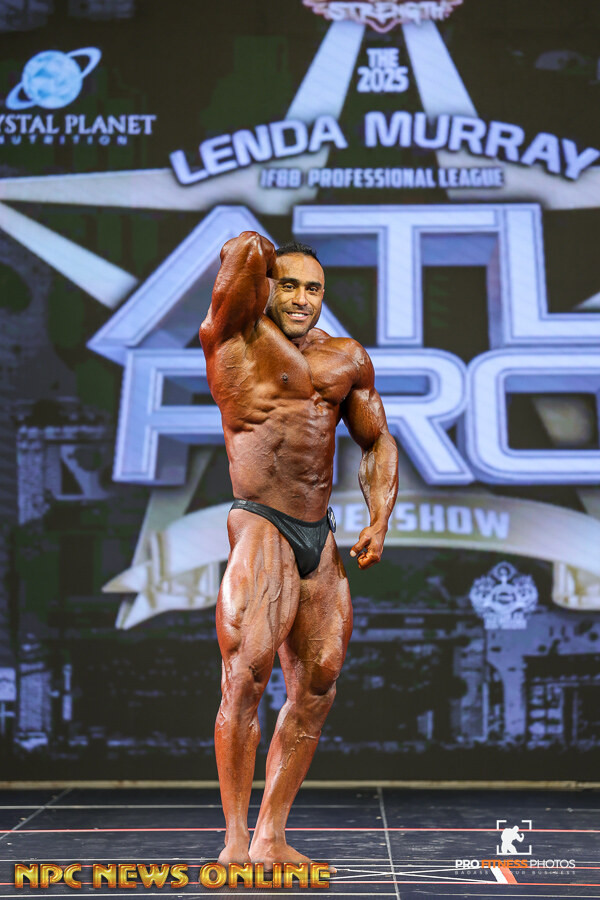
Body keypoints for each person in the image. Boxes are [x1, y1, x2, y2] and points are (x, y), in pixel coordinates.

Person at [199, 231, 399, 869]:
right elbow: (239, 257)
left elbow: (376, 440)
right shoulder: (233, 340)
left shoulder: (345, 358)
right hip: (262, 521)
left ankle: (271, 836)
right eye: (288, 284)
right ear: (264, 288)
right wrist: (259, 250)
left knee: (319, 684)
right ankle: (235, 841)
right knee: (246, 679)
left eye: (313, 288)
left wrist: (379, 518)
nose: (301, 298)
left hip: (321, 533)